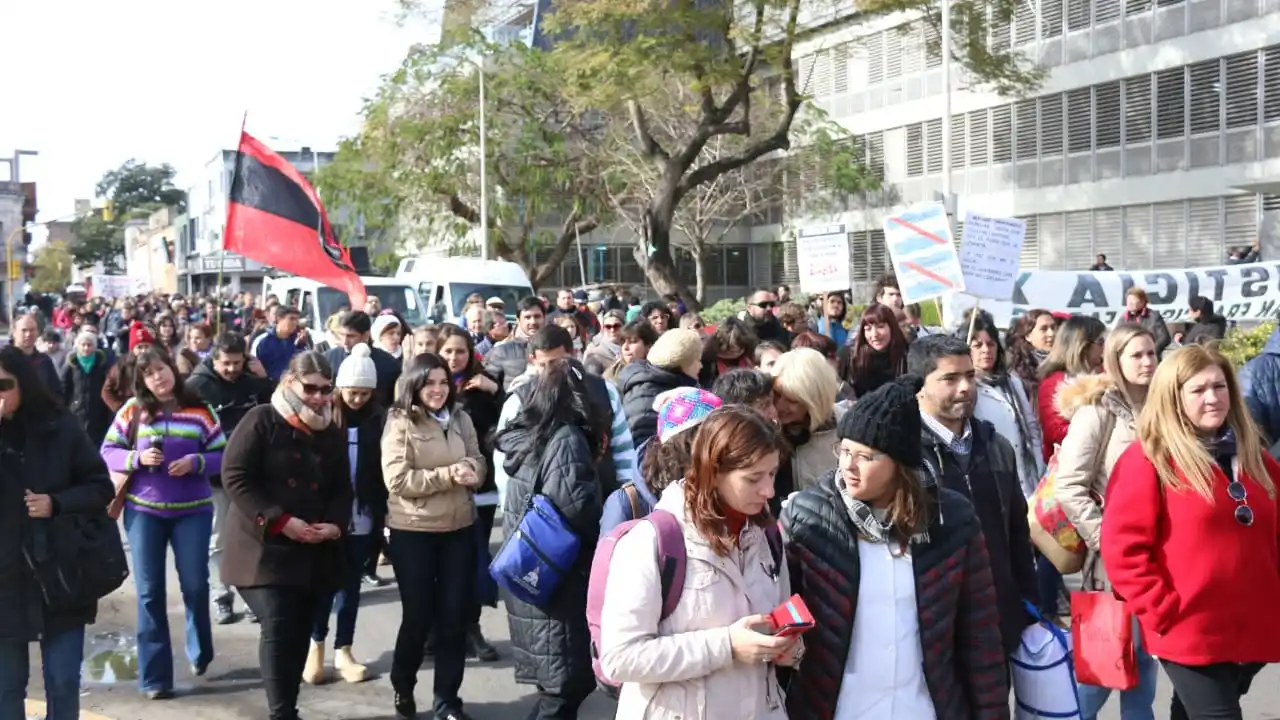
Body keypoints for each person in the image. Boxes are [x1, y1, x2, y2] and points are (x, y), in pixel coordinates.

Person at [781, 374, 1009, 718]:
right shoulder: (809, 518)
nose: (848, 467)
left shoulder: (952, 520)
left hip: (922, 708)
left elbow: (980, 635)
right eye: (843, 451)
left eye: (865, 456)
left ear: (898, 464)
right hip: (838, 709)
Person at [1104, 345, 1280, 718]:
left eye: (1219, 387)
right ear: (1174, 397)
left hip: (1248, 626)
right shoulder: (1148, 458)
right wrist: (1162, 610)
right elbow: (1123, 551)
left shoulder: (1253, 456)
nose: (1213, 398)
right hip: (1188, 628)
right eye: (1198, 390)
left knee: (1189, 712)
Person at [598, 406, 798, 718]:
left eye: (772, 474)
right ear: (712, 471)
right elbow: (620, 658)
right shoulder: (652, 542)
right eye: (753, 478)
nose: (769, 490)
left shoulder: (767, 537)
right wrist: (727, 646)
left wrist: (788, 648)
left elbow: (778, 619)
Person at [219, 351, 353, 720]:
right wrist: (279, 520)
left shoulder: (331, 431)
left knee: (298, 631)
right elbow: (235, 477)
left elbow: (343, 488)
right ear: (289, 383)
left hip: (314, 548)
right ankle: (281, 713)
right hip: (262, 548)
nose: (319, 397)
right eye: (311, 388)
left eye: (327, 390)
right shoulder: (262, 419)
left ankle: (288, 708)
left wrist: (335, 525)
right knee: (279, 624)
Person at [100, 348, 228, 699]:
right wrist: (136, 458)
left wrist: (198, 461)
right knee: (149, 592)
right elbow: (107, 450)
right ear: (140, 381)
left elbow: (223, 454)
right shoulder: (133, 411)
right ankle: (155, 677)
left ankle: (199, 647)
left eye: (162, 368)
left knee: (195, 585)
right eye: (149, 373)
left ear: (173, 369)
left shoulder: (200, 410)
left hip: (194, 511)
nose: (159, 376)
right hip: (145, 512)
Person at [0, 345, 115, 720]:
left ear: (24, 385)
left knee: (63, 682)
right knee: (6, 687)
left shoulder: (59, 425)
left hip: (62, 572)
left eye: (3, 385)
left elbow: (101, 486)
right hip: (5, 581)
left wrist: (56, 503)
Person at [1053, 324, 1159, 718]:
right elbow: (1069, 485)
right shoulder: (1097, 410)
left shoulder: (1163, 405)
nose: (1147, 361)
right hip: (1111, 562)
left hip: (1157, 557)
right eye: (1137, 355)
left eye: (1151, 352)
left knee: (1145, 662)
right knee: (1102, 667)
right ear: (1115, 359)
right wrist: (1106, 541)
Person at [910, 335, 1038, 660]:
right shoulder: (904, 456)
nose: (965, 387)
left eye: (969, 376)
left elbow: (1017, 535)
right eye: (950, 379)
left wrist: (1029, 605)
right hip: (933, 629)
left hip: (997, 620)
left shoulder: (996, 447)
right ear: (919, 385)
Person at [495, 358, 610, 717]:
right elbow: (577, 507)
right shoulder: (566, 438)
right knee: (564, 689)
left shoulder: (532, 433)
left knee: (558, 689)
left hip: (538, 572)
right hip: (559, 579)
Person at [382, 353, 485, 720]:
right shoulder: (399, 422)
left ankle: (447, 701)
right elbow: (396, 481)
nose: (439, 390)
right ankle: (402, 683)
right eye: (430, 383)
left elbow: (477, 459)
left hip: (458, 528)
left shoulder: (461, 418)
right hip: (414, 532)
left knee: (454, 617)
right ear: (415, 385)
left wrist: (474, 470)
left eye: (444, 382)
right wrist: (448, 475)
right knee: (419, 616)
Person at [304, 344, 385, 685]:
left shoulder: (379, 420)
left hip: (363, 516)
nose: (358, 399)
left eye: (365, 393)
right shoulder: (322, 420)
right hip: (327, 516)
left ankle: (344, 649)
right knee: (324, 586)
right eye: (352, 392)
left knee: (351, 588)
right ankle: (315, 647)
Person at [185, 333, 273, 626]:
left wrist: (265, 377)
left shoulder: (250, 381)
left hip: (252, 473)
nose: (232, 369)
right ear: (214, 358)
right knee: (220, 540)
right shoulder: (198, 387)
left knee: (254, 536)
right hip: (215, 477)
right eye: (227, 364)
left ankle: (253, 596)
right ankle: (221, 597)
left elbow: (274, 405)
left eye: (238, 362)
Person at [435, 324, 504, 661]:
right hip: (438, 489)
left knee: (475, 561)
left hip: (480, 489)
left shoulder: (482, 387)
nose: (453, 357)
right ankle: (442, 630)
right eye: (447, 351)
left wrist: (496, 390)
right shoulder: (428, 387)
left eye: (460, 351)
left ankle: (472, 628)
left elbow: (511, 424)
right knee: (444, 564)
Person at [60, 328, 113, 445]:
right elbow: (64, 388)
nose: (86, 348)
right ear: (77, 346)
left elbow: (108, 388)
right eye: (83, 345)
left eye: (89, 345)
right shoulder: (71, 365)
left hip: (98, 414)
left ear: (94, 347)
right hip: (76, 413)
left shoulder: (101, 365)